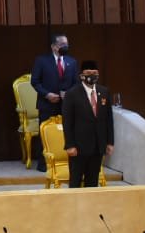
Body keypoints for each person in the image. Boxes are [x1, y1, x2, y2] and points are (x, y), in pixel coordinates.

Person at [30, 32, 78, 173]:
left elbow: (76, 83)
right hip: (47, 104)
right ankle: (44, 164)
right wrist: (47, 94)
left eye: (67, 44)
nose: (65, 47)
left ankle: (64, 162)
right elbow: (35, 82)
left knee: (67, 133)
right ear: (53, 47)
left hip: (66, 105)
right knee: (45, 134)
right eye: (62, 44)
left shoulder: (72, 62)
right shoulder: (41, 61)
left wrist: (68, 93)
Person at [62, 61, 114, 188]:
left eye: (95, 73)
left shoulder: (104, 92)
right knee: (75, 181)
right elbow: (67, 122)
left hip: (98, 146)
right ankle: (74, 207)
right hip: (78, 147)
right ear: (81, 76)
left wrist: (110, 142)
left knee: (92, 182)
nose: (92, 75)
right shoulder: (72, 94)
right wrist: (70, 145)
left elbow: (109, 119)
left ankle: (91, 207)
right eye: (88, 73)